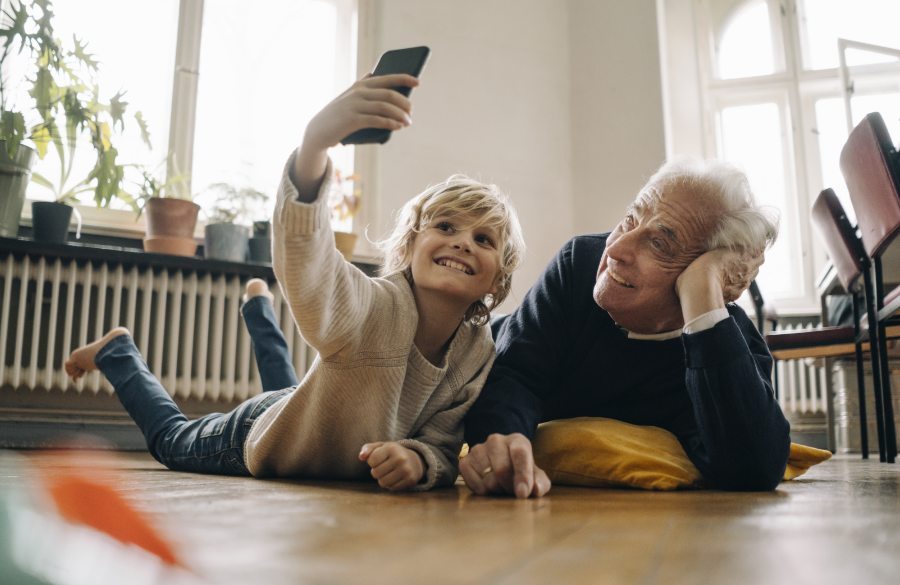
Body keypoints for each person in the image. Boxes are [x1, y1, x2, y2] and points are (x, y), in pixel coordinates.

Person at [65, 73, 526, 492]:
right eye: (445, 227)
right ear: (407, 247)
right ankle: (118, 354)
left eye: (482, 238)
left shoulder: (477, 351)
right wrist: (313, 147)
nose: (463, 242)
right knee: (169, 440)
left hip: (311, 412)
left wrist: (420, 460)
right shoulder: (371, 305)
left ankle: (257, 308)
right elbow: (312, 267)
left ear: (497, 280)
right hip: (254, 438)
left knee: (295, 389)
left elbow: (443, 444)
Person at [459, 156, 791, 498]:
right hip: (480, 342)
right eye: (629, 219)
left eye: (659, 243)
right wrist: (502, 436)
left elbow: (755, 466)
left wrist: (704, 294)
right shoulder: (579, 265)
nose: (616, 248)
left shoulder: (721, 342)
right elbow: (514, 375)